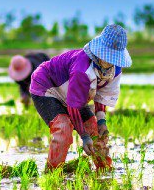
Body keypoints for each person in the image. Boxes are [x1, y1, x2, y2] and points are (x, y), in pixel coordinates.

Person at [29, 24, 132, 171]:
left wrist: (102, 121)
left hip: (72, 91)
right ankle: (52, 173)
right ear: (99, 52)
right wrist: (84, 137)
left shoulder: (115, 70)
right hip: (47, 86)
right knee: (63, 128)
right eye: (108, 57)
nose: (110, 62)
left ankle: (104, 171)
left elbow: (102, 96)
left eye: (114, 58)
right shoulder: (82, 70)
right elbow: (73, 106)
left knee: (96, 130)